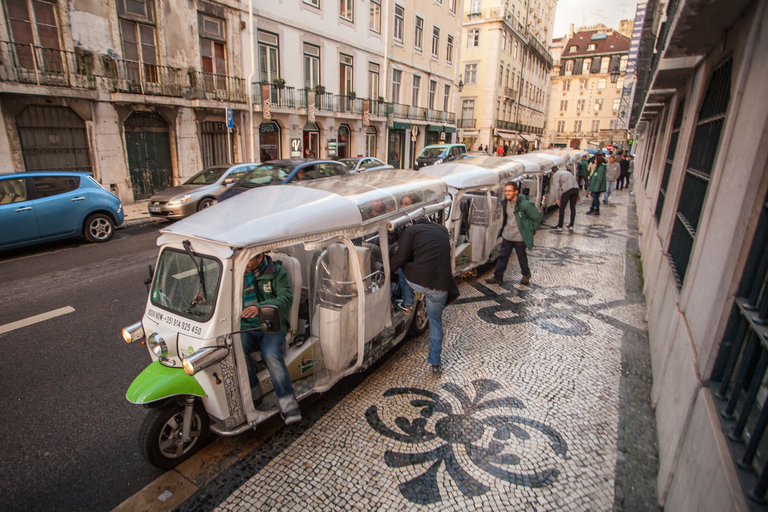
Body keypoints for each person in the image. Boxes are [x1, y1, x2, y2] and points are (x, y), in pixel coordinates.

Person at [390, 217, 460, 373]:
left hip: (419, 282)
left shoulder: (410, 231)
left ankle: (408, 304)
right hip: (441, 286)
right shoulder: (442, 229)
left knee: (402, 269)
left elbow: (400, 257)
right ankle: (435, 364)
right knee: (435, 322)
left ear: (414, 223)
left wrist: (387, 270)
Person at [240, 252, 302, 425]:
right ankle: (254, 393)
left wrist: (260, 307)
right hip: (246, 326)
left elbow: (287, 298)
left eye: (249, 259)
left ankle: (289, 405)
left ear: (260, 258)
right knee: (238, 350)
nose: (244, 263)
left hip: (272, 324)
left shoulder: (276, 272)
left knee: (270, 355)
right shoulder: (237, 274)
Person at [485, 182, 541, 286]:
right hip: (508, 235)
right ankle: (498, 277)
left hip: (519, 237)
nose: (507, 193)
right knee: (503, 256)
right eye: (506, 190)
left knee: (521, 257)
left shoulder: (524, 204)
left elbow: (537, 218)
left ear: (516, 191)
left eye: (510, 190)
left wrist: (530, 230)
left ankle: (526, 274)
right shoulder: (505, 202)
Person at [551, 166, 580, 231]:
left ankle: (560, 225)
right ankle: (571, 225)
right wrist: (578, 195)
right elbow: (575, 181)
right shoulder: (568, 172)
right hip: (575, 189)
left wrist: (557, 199)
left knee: (562, 208)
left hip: (567, 190)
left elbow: (557, 188)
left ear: (553, 172)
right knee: (572, 208)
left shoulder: (556, 175)